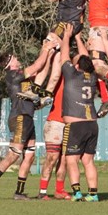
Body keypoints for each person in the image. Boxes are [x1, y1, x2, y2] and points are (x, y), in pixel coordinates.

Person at [0, 38, 59, 200]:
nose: (17, 58)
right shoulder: (13, 76)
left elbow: (41, 71)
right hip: (19, 118)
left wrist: (50, 55)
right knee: (13, 155)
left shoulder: (23, 79)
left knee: (29, 156)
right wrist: (46, 48)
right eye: (14, 57)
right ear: (9, 63)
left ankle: (19, 192)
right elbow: (37, 65)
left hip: (28, 118)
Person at [30, 0, 87, 100]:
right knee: (57, 58)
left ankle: (35, 88)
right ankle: (48, 93)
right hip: (76, 23)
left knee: (47, 47)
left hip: (66, 23)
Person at [58, 23, 100, 202]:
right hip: (92, 125)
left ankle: (76, 193)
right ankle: (93, 194)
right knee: (88, 161)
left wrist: (67, 37)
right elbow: (85, 58)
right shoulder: (93, 77)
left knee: (71, 160)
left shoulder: (72, 75)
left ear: (76, 66)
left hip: (76, 126)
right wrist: (78, 37)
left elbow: (64, 56)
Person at [36, 59, 71, 200]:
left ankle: (59, 190)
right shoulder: (60, 76)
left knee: (65, 159)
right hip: (55, 122)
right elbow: (54, 72)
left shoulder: (79, 78)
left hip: (70, 123)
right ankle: (42, 192)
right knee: (52, 157)